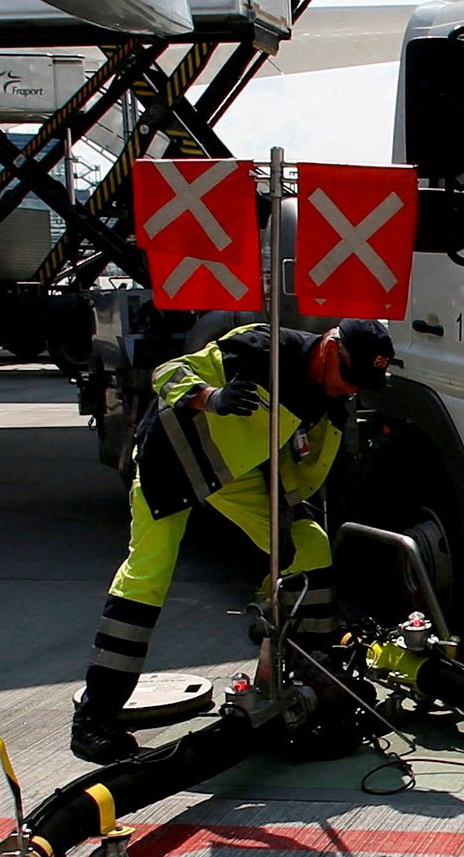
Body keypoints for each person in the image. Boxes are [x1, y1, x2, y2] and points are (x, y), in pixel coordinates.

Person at [74, 318, 400, 762]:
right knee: (148, 575)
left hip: (236, 473)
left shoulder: (331, 399)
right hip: (173, 463)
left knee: (308, 545)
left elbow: (305, 466)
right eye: (349, 376)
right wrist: (211, 397)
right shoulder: (262, 348)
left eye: (362, 383)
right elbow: (167, 373)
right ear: (329, 350)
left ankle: (316, 676)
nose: (351, 390)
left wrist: (286, 518)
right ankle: (94, 718)